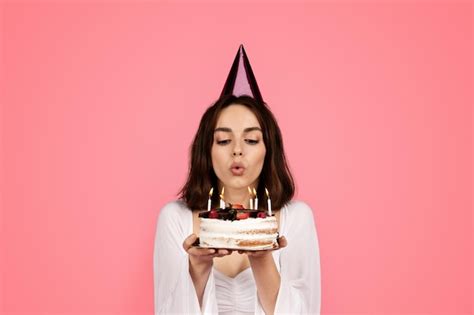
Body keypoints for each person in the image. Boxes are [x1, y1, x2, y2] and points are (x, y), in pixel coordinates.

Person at [154, 46, 321, 314]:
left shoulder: (297, 217)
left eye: (251, 139)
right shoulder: (174, 219)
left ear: (269, 149)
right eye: (223, 140)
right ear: (206, 151)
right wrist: (197, 267)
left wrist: (263, 258)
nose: (237, 150)